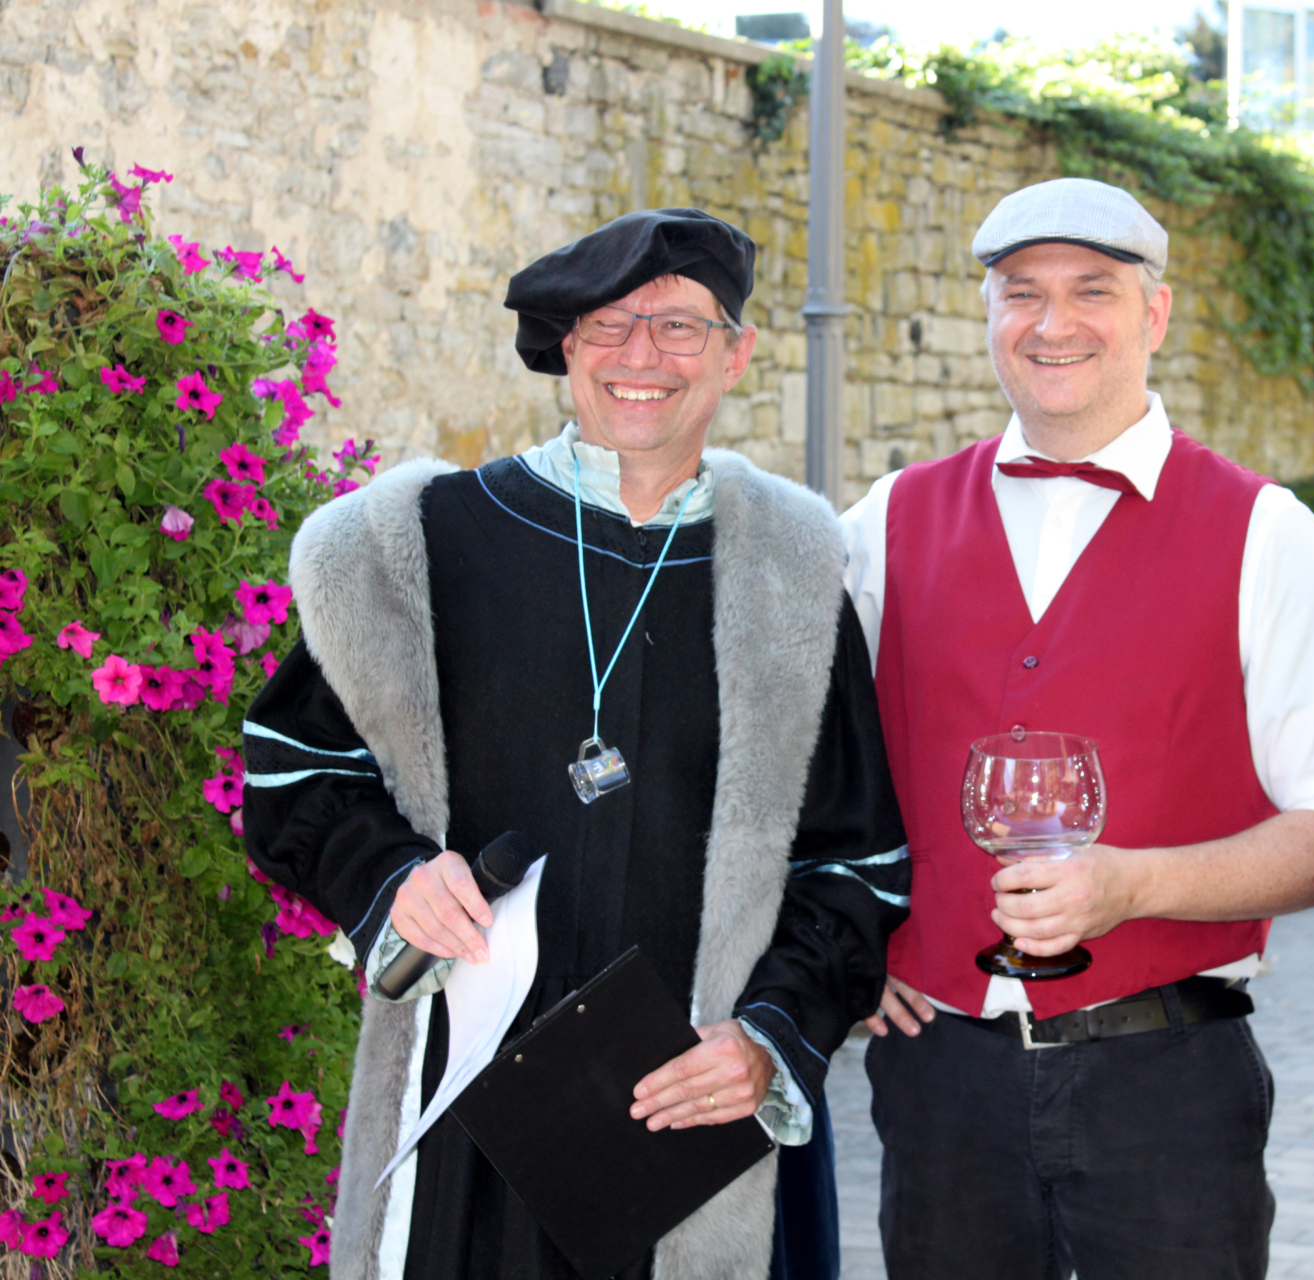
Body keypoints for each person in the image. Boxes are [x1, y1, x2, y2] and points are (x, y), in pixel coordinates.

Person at [243, 208, 909, 1280]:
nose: (642, 355)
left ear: (736, 353)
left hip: (694, 1109)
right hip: (465, 1101)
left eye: (680, 325)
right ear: (566, 346)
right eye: (609, 325)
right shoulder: (428, 542)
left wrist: (769, 1033)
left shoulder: (791, 573)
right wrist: (393, 878)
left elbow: (855, 861)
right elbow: (297, 767)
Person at [841, 177, 1314, 1279]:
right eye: (1021, 292)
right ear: (989, 315)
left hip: (1168, 1081)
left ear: (1155, 313)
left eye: (1093, 289)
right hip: (941, 1083)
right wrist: (836, 950)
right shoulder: (884, 520)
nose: (1054, 322)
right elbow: (780, 750)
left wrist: (1134, 885)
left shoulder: (1265, 531)